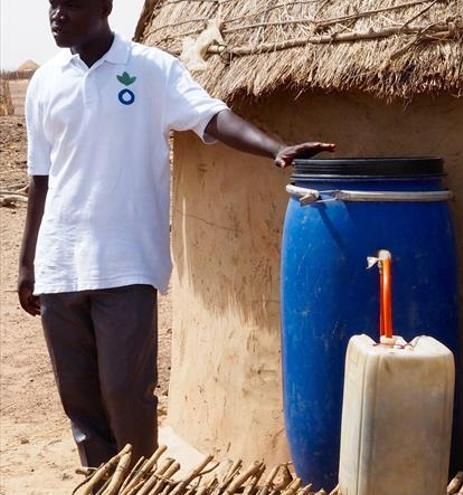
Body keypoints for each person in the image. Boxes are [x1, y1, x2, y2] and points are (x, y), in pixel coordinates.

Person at [17, 0, 335, 467]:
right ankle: (101, 480)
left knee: (126, 392)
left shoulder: (151, 70)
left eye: (71, 4)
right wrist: (27, 262)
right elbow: (39, 180)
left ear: (105, 7)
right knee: (78, 399)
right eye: (52, 4)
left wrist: (275, 149)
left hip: (126, 261)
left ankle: (138, 480)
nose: (57, 15)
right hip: (59, 262)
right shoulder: (45, 82)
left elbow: (213, 117)